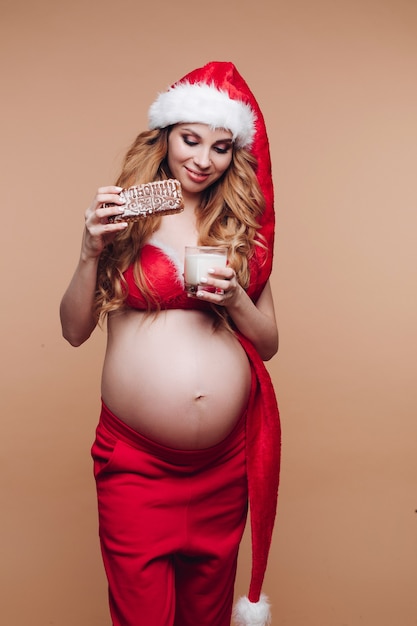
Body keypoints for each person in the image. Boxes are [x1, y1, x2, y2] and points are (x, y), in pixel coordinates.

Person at [60, 61, 281, 626]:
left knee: (207, 618)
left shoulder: (235, 221)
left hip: (223, 466)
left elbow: (269, 342)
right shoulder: (131, 211)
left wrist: (234, 298)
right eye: (190, 140)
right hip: (138, 466)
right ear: (165, 136)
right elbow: (74, 329)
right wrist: (89, 251)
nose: (203, 160)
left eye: (222, 147)